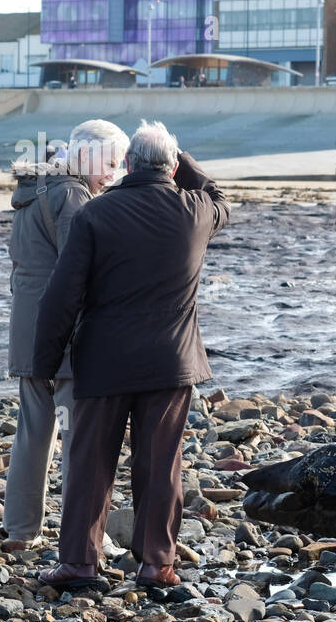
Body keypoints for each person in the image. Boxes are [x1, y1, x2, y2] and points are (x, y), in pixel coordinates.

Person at [33, 120, 229, 590]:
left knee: (91, 463)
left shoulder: (94, 215)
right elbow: (218, 194)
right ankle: (156, 564)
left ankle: (80, 563)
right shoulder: (197, 211)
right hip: (170, 362)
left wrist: (44, 362)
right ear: (176, 166)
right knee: (161, 464)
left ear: (125, 164)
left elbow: (62, 297)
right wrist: (181, 160)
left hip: (105, 360)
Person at [3, 119, 129, 544]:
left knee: (33, 432)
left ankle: (20, 529)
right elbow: (80, 270)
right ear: (85, 153)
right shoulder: (73, 195)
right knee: (78, 437)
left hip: (26, 329)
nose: (112, 174)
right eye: (109, 162)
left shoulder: (34, 188)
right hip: (62, 336)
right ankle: (83, 535)